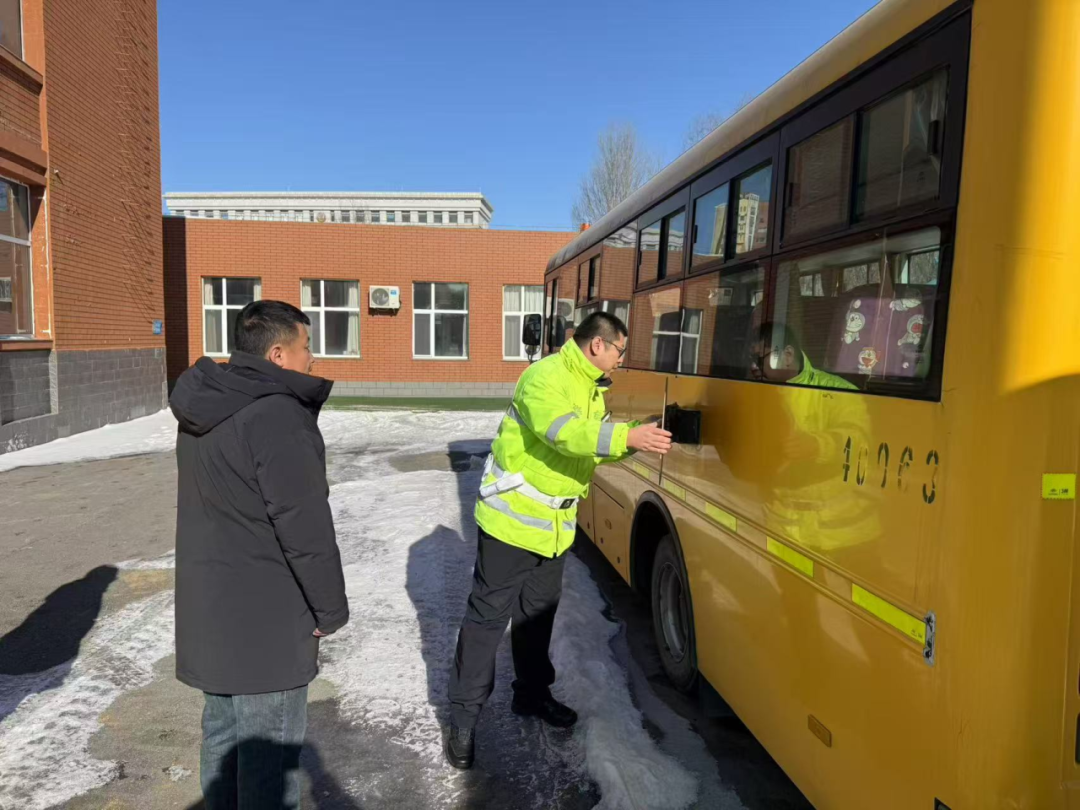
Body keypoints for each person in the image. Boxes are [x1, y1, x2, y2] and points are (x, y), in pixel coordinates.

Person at [445, 311, 673, 769]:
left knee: (536, 618)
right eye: (619, 350)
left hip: (552, 528)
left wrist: (636, 439)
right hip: (512, 523)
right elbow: (566, 434)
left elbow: (585, 447)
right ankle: (463, 722)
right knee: (486, 622)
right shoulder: (544, 377)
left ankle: (531, 695)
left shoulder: (589, 386)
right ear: (597, 346)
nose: (620, 360)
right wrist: (626, 434)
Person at [170, 300, 349, 809]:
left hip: (212, 612)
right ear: (277, 353)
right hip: (266, 622)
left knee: (224, 744)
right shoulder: (276, 415)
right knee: (269, 763)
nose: (311, 359)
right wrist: (329, 609)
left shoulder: (205, 403)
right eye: (305, 347)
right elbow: (305, 526)